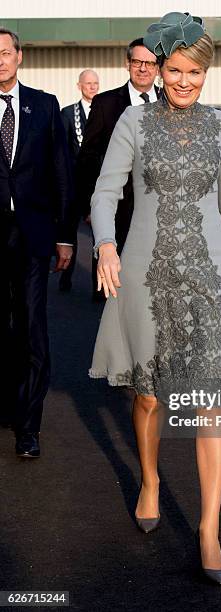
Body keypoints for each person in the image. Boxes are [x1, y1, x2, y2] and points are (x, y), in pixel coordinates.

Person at [88, 12, 221, 585]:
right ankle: (149, 479)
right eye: (174, 69)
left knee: (210, 403)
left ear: (206, 72)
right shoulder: (132, 123)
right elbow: (104, 193)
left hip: (211, 281)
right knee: (147, 398)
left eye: (194, 71)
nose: (183, 80)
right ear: (159, 69)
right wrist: (104, 244)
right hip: (144, 276)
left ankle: (208, 527)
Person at [0, 28, 75, 456]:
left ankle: (29, 424)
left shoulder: (44, 107)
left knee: (31, 325)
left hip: (33, 235)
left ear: (19, 57)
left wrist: (66, 236)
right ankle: (7, 404)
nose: (0, 61)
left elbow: (62, 174)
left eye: (6, 53)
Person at [76, 38, 160, 301]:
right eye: (138, 62)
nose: (143, 68)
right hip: (118, 211)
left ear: (158, 67)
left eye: (150, 63)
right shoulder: (105, 103)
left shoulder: (171, 103)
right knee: (115, 294)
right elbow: (87, 158)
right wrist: (91, 207)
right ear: (128, 64)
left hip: (161, 212)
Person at [59, 69, 100, 292]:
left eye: (95, 83)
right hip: (75, 184)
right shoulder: (67, 114)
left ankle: (98, 285)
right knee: (70, 234)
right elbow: (62, 152)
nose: (92, 87)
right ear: (79, 86)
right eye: (88, 83)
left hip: (97, 184)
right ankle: (66, 276)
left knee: (99, 235)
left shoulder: (105, 111)